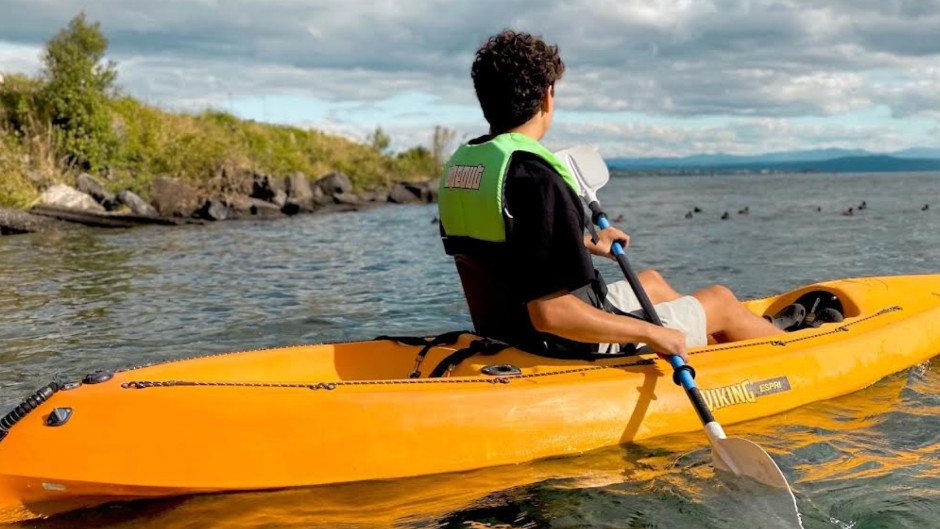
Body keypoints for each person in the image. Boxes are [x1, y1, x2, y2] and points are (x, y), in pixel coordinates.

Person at [437, 30, 783, 361]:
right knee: (721, 299)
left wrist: (584, 241)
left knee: (653, 283)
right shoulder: (539, 180)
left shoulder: (470, 169)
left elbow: (507, 244)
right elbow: (550, 314)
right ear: (547, 95)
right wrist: (651, 335)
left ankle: (705, 346)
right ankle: (790, 350)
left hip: (505, 327)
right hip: (566, 342)